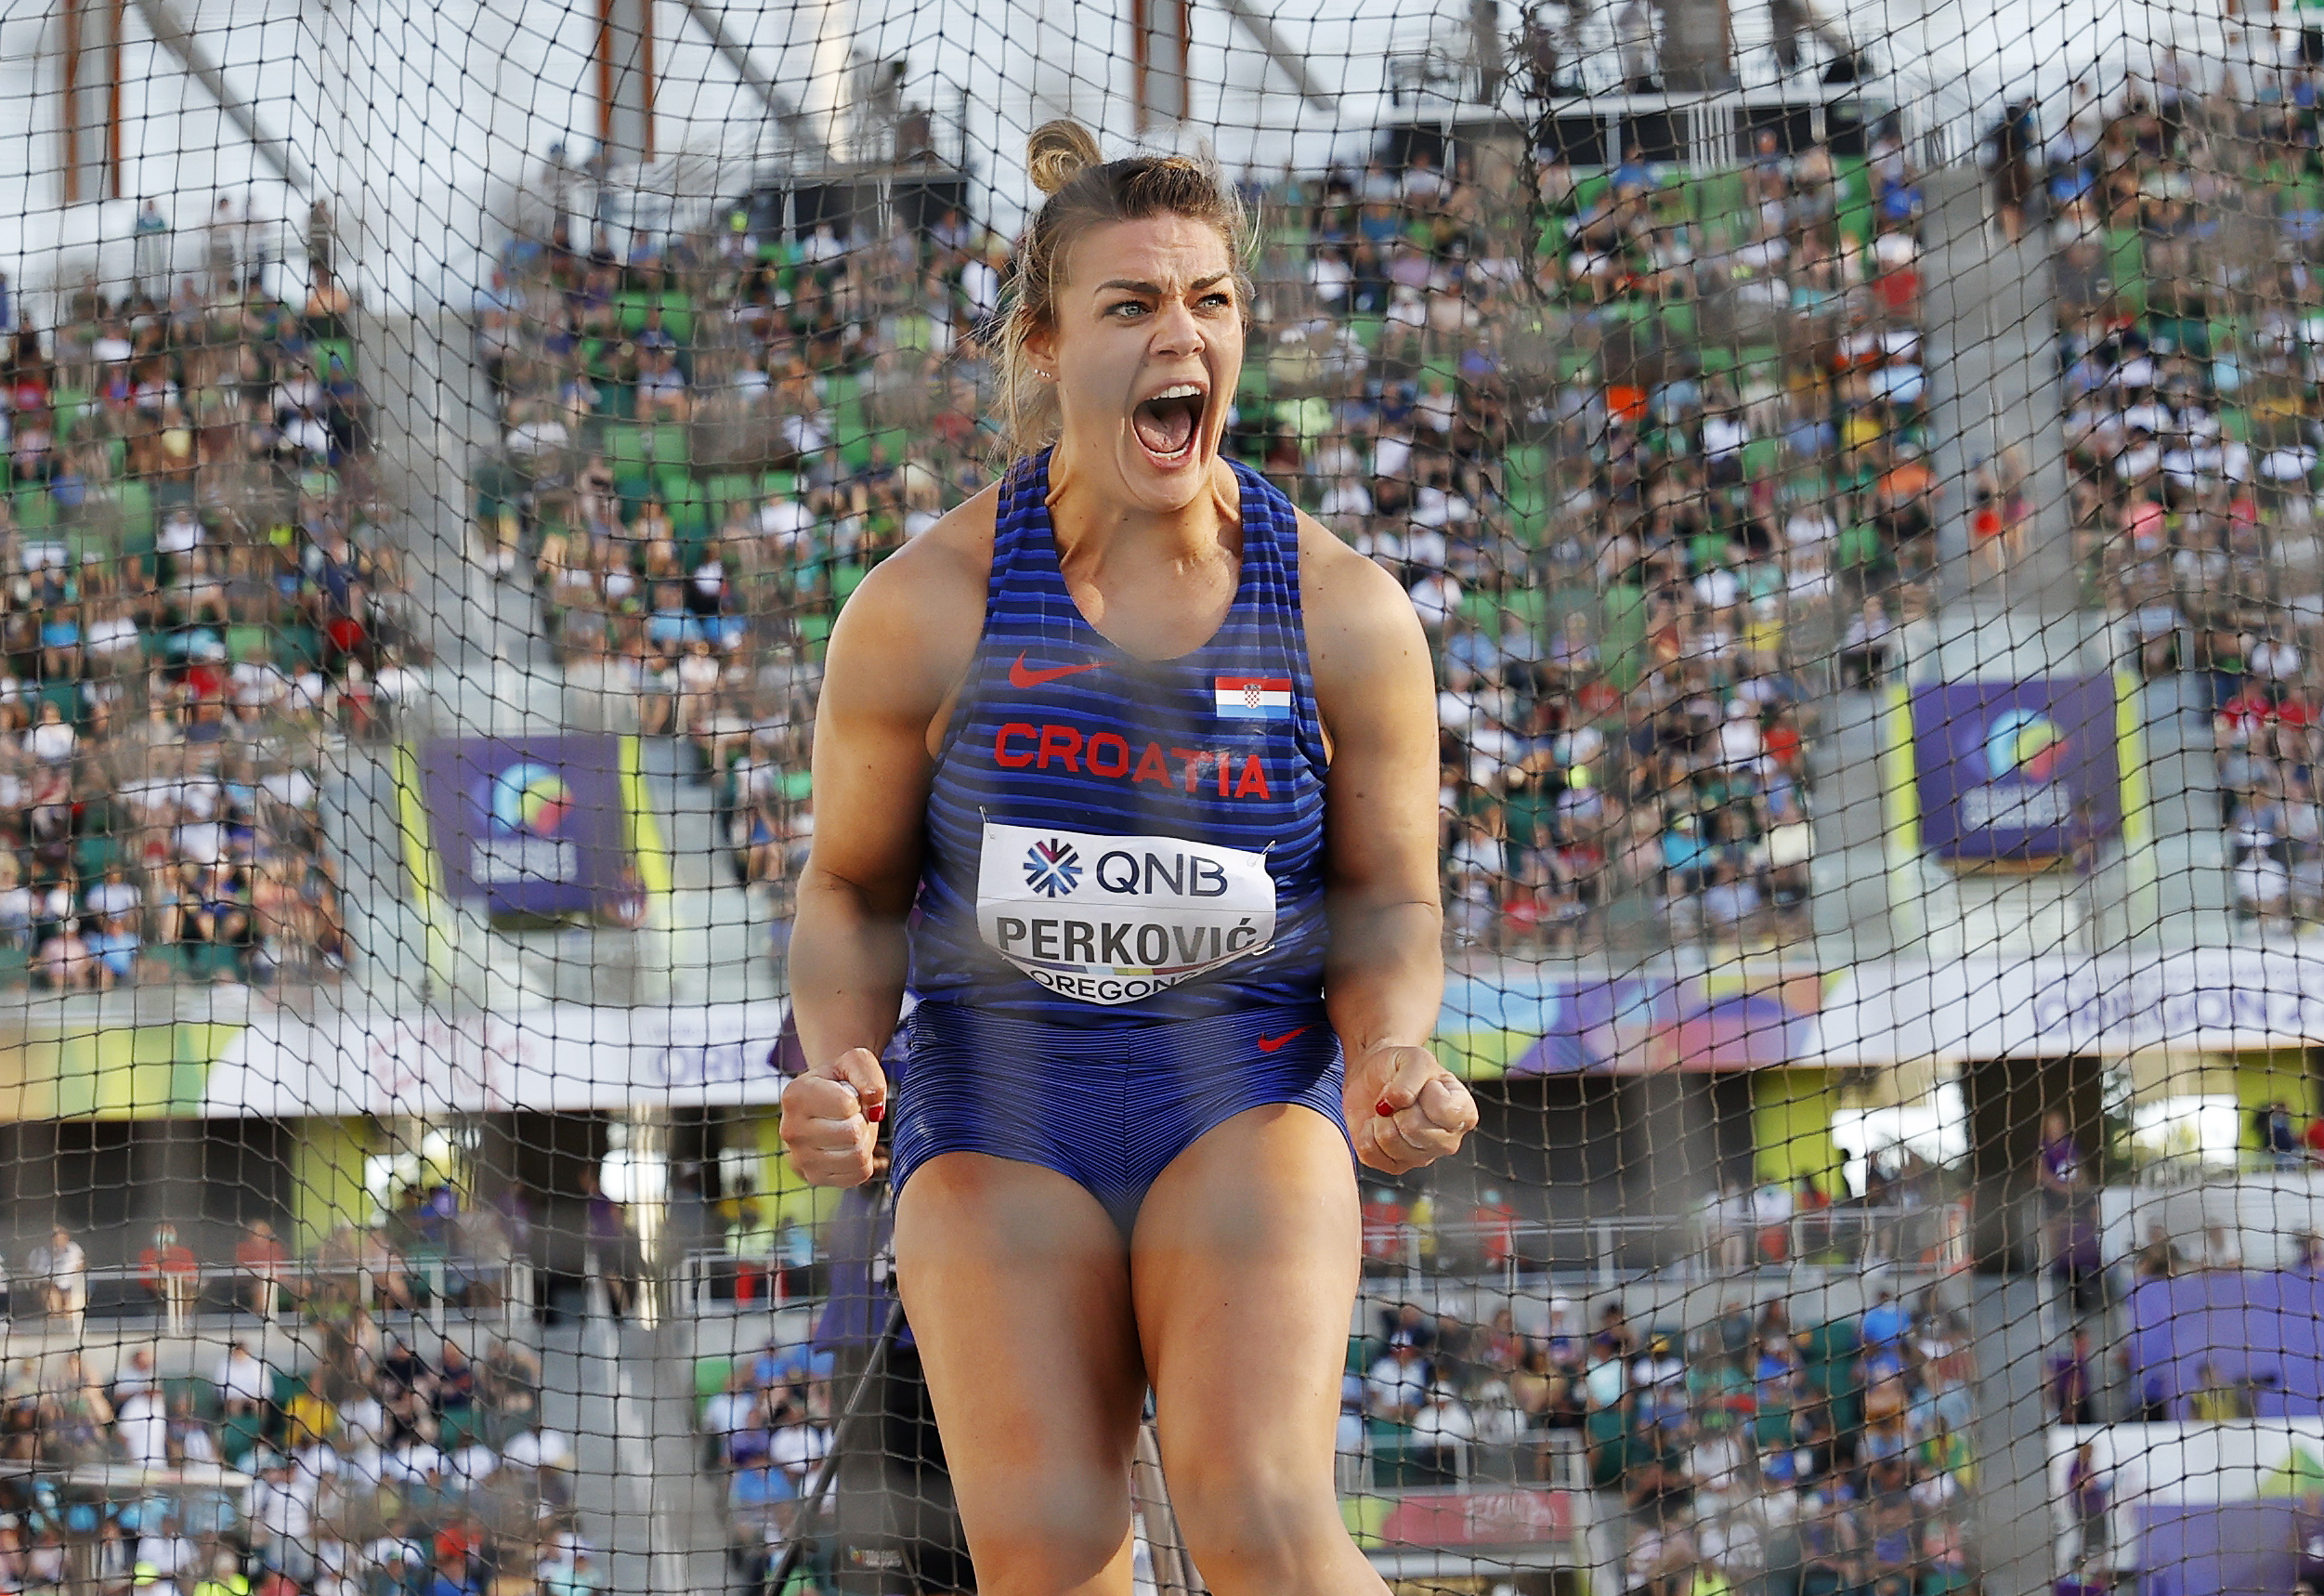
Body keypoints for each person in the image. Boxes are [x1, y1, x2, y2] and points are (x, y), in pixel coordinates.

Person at [780, 121, 1474, 1596]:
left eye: (1210, 301)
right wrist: (837, 1059)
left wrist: (1392, 1047)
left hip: (1239, 1089)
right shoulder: (920, 610)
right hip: (995, 1104)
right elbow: (848, 886)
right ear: (1045, 343)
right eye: (1132, 305)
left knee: (1261, 1521)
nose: (1182, 334)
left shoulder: (1344, 613)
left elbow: (1391, 895)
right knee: (1050, 1563)